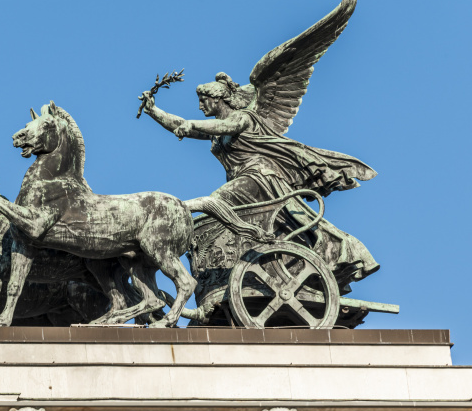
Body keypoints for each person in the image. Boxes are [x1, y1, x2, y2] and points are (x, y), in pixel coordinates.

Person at [142, 72, 379, 288]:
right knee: (216, 218)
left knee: (215, 202)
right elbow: (181, 125)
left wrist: (191, 123)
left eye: (204, 100)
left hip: (258, 176)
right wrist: (154, 111)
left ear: (218, 100)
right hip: (245, 180)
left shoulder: (241, 119)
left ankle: (346, 250)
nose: (200, 105)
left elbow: (219, 125)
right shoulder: (218, 130)